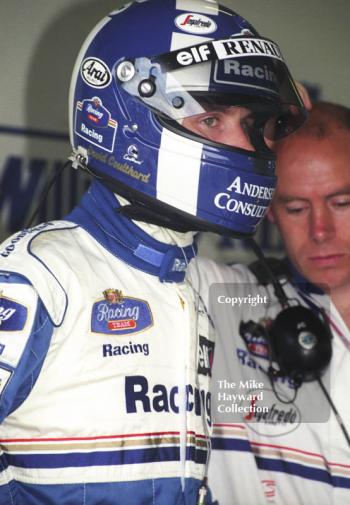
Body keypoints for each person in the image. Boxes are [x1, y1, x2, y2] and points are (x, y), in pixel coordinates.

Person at [0, 0, 306, 503]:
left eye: (254, 125)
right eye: (212, 120)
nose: (249, 148)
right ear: (128, 117)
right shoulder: (39, 277)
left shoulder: (189, 288)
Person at [198, 102, 350, 505]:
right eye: (296, 208)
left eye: (342, 203)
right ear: (268, 209)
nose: (320, 231)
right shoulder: (227, 300)